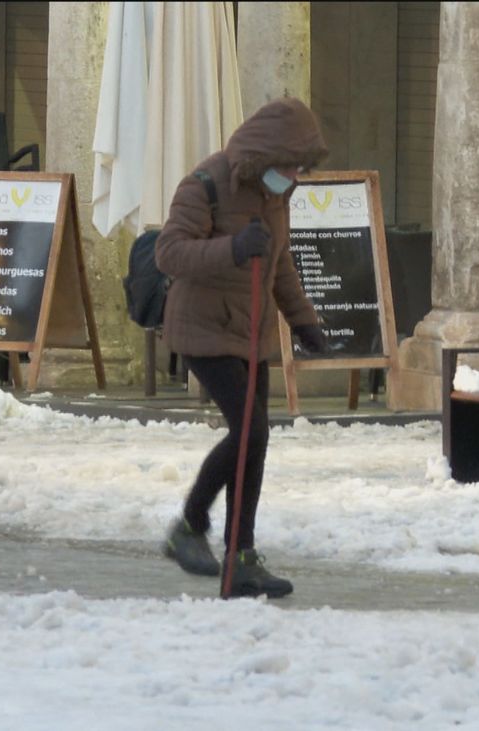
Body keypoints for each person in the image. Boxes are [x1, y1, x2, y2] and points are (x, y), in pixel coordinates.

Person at [156, 97, 329, 598]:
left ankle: (241, 558)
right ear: (265, 156)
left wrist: (303, 321)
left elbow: (278, 264)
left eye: (301, 167)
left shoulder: (276, 195)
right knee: (249, 432)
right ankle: (190, 525)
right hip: (203, 329)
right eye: (289, 165)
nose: (294, 175)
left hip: (251, 332)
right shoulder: (206, 183)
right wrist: (231, 248)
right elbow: (170, 252)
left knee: (256, 440)